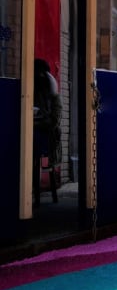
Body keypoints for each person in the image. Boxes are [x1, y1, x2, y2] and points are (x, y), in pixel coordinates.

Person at [33, 59, 62, 204]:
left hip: (45, 134)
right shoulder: (32, 89)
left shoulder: (49, 91)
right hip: (37, 131)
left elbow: (55, 119)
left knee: (36, 141)